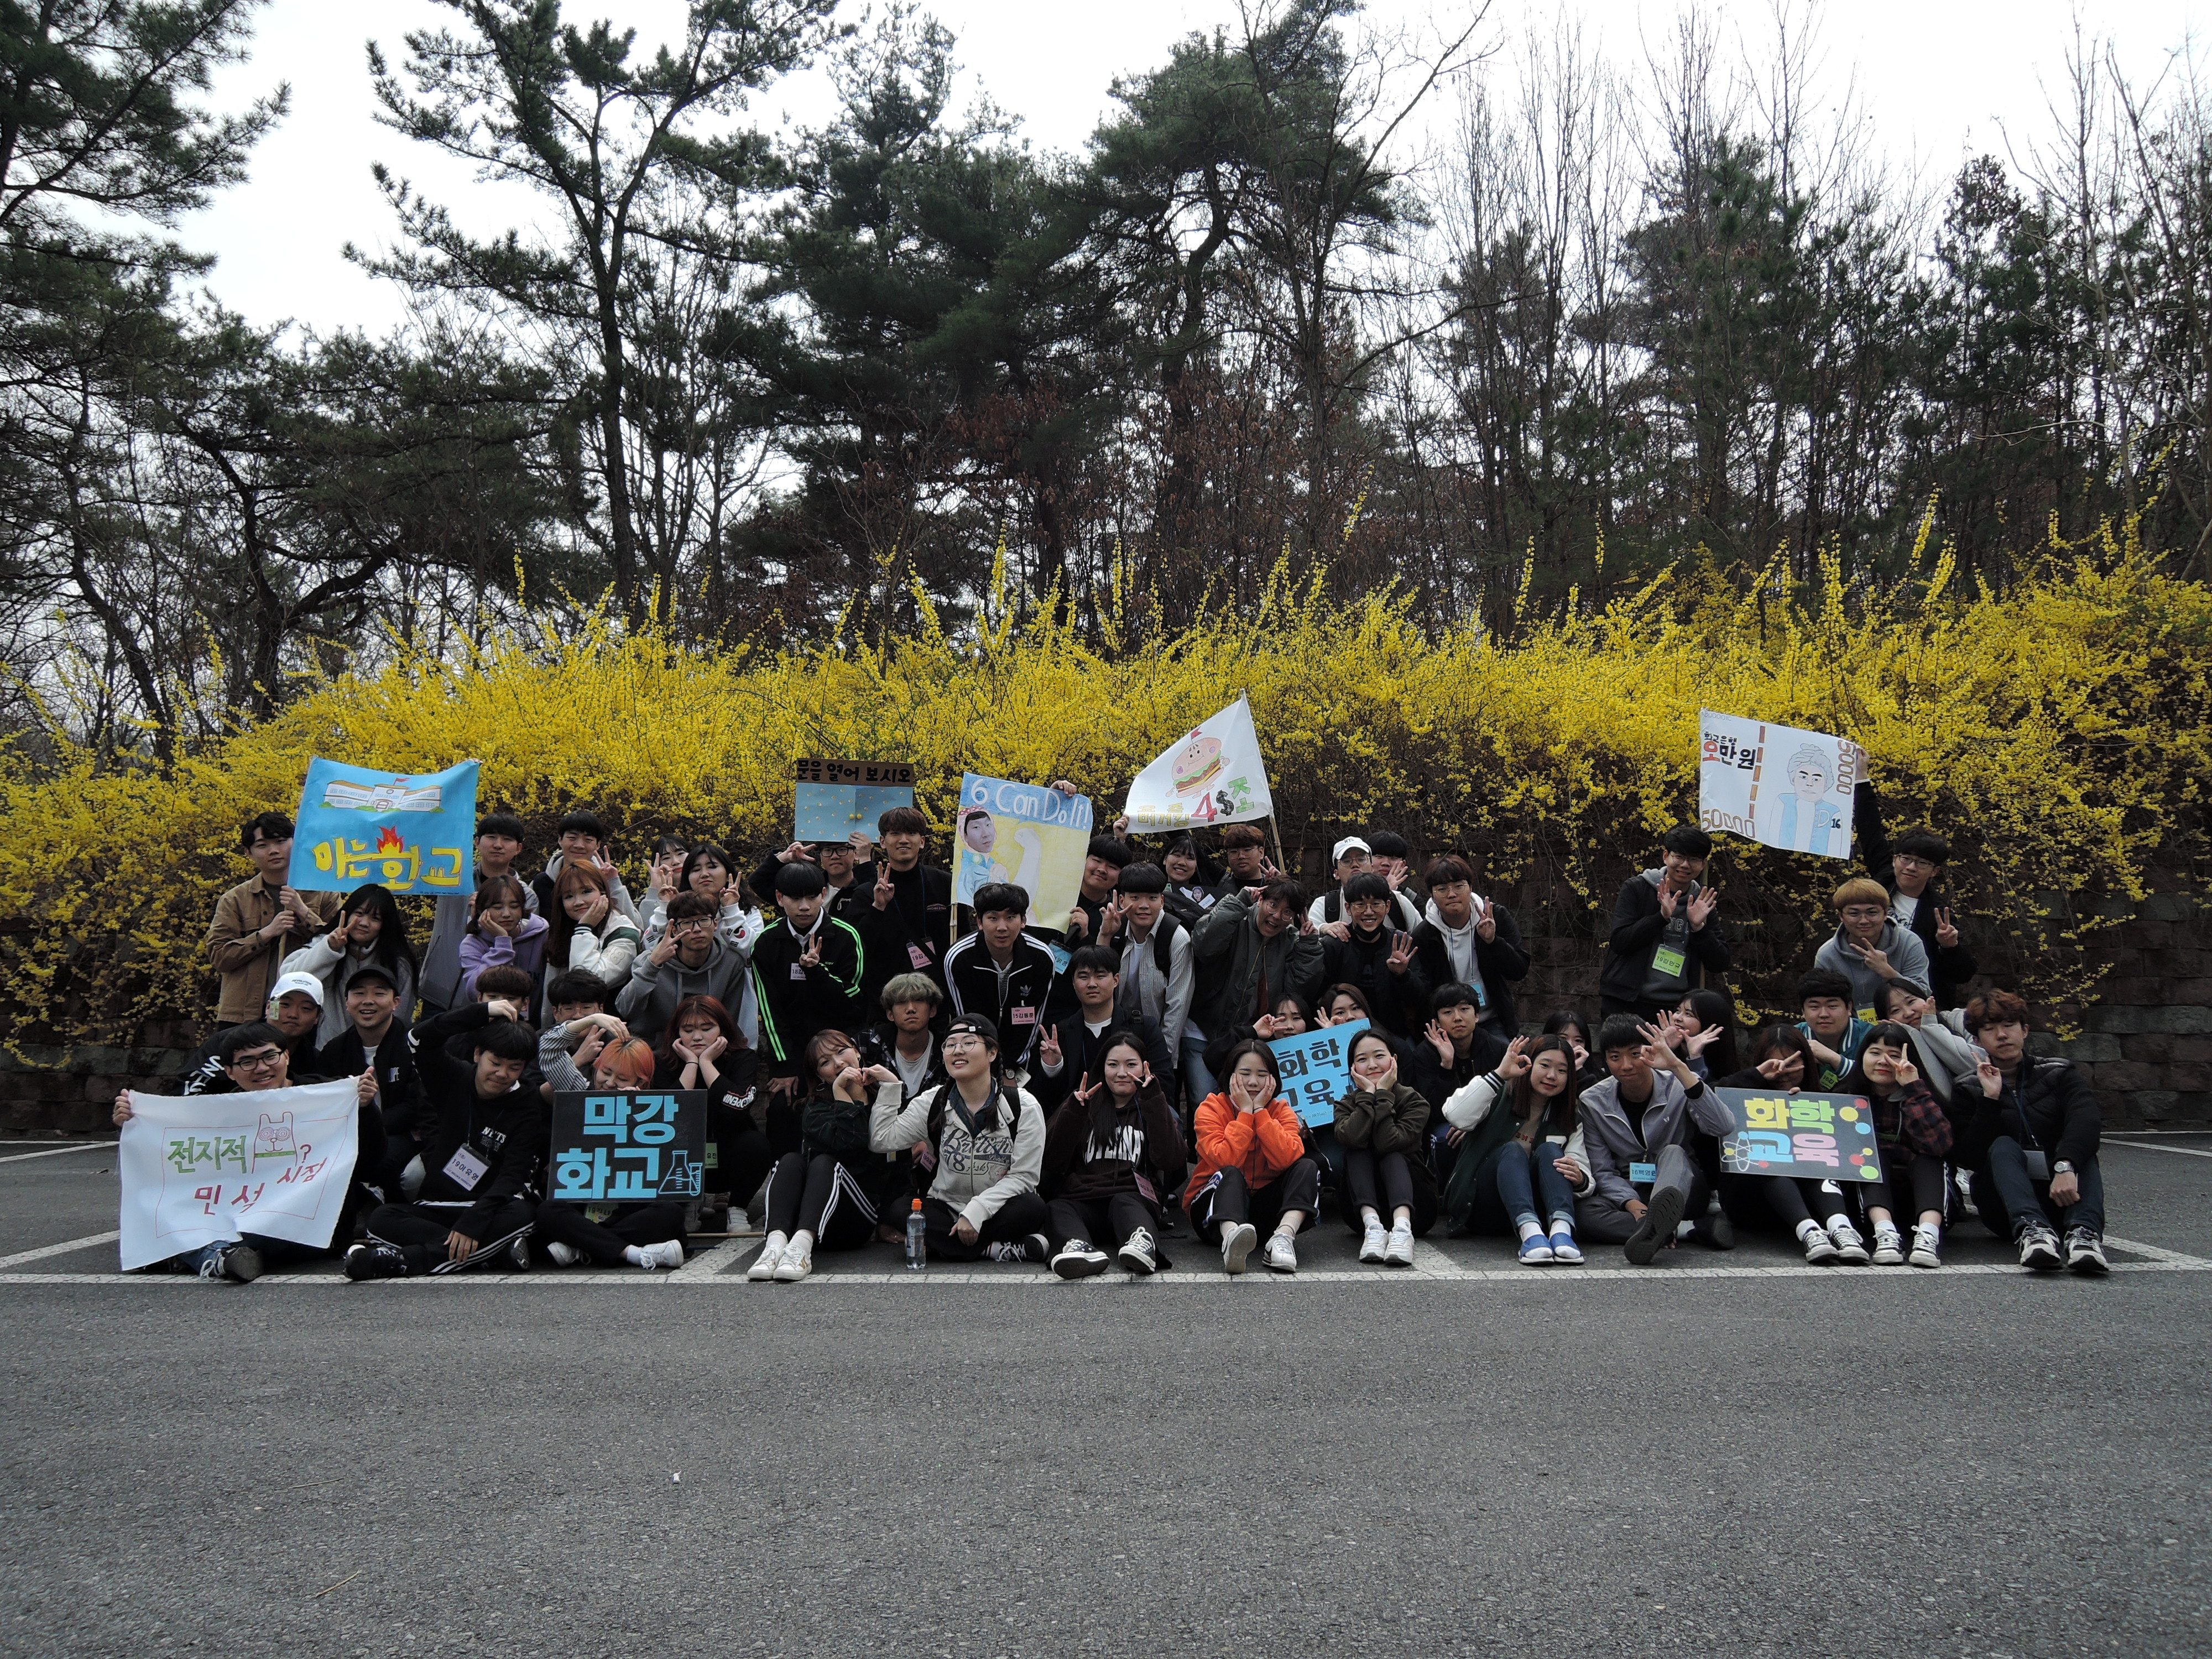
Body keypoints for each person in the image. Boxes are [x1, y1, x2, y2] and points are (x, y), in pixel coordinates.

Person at [112, 1023, 382, 1281]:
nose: (261, 1068)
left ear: (286, 1057)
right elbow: (169, 1164)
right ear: (229, 1072)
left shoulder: (325, 1095)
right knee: (172, 1214)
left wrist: (365, 1108)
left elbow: (372, 1164)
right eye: (247, 1062)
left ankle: (203, 1256)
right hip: (242, 1213)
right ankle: (218, 1257)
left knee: (220, 1232)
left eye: (270, 1056)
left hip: (310, 1222)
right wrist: (135, 1125)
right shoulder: (220, 1110)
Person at [347, 1000, 544, 1279]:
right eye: (495, 1063)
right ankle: (491, 1254)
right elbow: (419, 1039)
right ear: (478, 1054)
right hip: (439, 1203)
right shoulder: (452, 1075)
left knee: (524, 1214)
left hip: (493, 1207)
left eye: (514, 1068)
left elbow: (514, 1174)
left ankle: (404, 1261)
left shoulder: (528, 1101)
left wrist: (474, 1221)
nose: (502, 1074)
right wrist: (479, 1012)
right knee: (381, 1218)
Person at [868, 1014, 1052, 1262]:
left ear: (992, 1053)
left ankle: (944, 1246)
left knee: (1033, 1207)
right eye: (950, 1045)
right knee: (902, 1210)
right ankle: (993, 1249)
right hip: (946, 1206)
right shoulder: (932, 1101)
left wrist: (977, 1211)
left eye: (968, 1043)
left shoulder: (1024, 1105)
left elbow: (1024, 1177)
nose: (957, 1051)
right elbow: (881, 1140)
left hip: (998, 1208)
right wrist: (891, 1087)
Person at [1960, 991, 2107, 1274]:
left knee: (2080, 1150)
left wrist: (2066, 1166)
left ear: (2025, 1030)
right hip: (2004, 1208)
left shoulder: (2059, 1073)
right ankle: (2033, 1232)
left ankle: (2084, 1235)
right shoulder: (1968, 1087)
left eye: (2009, 1026)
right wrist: (1990, 1100)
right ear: (1977, 1041)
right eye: (1990, 1030)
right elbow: (1969, 1156)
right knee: (2002, 1145)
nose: (2002, 1035)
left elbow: (2086, 1121)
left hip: (2063, 1193)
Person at [1575, 1015, 1738, 1264]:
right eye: (1615, 1057)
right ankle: (1687, 1229)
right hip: (1632, 1192)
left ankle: (1659, 1226)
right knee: (1584, 1214)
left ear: (1651, 1051)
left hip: (1684, 1189)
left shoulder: (1678, 1084)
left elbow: (1723, 1126)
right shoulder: (1592, 1101)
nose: (1626, 1065)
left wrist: (1678, 1066)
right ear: (1605, 1060)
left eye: (1635, 1054)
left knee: (1673, 1151)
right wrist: (1636, 1207)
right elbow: (1603, 1169)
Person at [528, 1022, 688, 1271]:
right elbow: (549, 1051)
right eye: (606, 1073)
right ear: (596, 1066)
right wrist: (591, 1018)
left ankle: (580, 1247)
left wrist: (637, 1115)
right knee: (548, 1211)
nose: (610, 1083)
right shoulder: (578, 1091)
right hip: (580, 1201)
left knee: (671, 1213)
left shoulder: (654, 1109)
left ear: (641, 1082)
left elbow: (672, 1175)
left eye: (622, 1079)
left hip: (630, 1207)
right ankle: (632, 1253)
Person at [749, 1030, 900, 1282]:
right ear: (820, 1075)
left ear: (857, 1052)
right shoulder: (815, 1110)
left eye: (842, 1052)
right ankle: (775, 1245)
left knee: (826, 1163)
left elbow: (857, 1145)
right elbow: (846, 1141)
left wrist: (887, 1220)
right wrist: (839, 1092)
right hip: (810, 1218)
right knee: (791, 1160)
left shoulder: (882, 1098)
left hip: (853, 1222)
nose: (838, 1063)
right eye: (825, 1062)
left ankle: (801, 1249)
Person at [1710, 1025, 1869, 1265]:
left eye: (1792, 1063)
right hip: (1752, 1202)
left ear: (1808, 1062)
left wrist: (1805, 1104)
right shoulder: (1742, 1091)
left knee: (1818, 1159)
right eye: (1775, 1063)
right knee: (1772, 1160)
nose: (1783, 1071)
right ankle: (1809, 1234)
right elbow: (1707, 1096)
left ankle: (1842, 1229)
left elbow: (1868, 1085)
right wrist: (1757, 1077)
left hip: (1815, 1200)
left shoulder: (1824, 1098)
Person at [1042, 1029, 1187, 1277]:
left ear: (1144, 1068)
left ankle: (1141, 1244)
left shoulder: (1153, 1104)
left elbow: (1172, 1160)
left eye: (1131, 1065)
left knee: (1124, 1202)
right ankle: (1078, 1247)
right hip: (1084, 1200)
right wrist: (1074, 1113)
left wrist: (1153, 1098)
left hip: (1132, 1199)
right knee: (1058, 1207)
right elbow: (1052, 1161)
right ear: (1103, 1068)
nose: (1121, 1073)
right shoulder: (1083, 1103)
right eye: (1113, 1065)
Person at [1436, 1035, 1592, 1264]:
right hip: (1482, 1207)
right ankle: (1529, 1234)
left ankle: (1562, 1233)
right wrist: (1500, 1074)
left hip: (1540, 1212)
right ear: (1528, 1064)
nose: (1552, 1076)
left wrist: (1580, 1178)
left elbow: (1584, 1172)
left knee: (1551, 1150)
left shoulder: (1569, 1116)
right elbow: (1455, 1115)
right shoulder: (1500, 1092)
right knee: (1512, 1151)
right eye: (1545, 1065)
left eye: (1562, 1070)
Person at [1184, 1040, 1317, 1274]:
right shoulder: (1211, 1108)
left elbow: (1287, 1159)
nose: (1254, 1082)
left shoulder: (1281, 1109)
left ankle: (1283, 1237)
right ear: (1230, 1077)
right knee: (1231, 1172)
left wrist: (1261, 1114)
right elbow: (1225, 1160)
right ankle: (1231, 1240)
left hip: (1262, 1214)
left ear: (1273, 1079)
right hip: (1212, 1215)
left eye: (1262, 1075)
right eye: (1245, 1074)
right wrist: (1245, 1113)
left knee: (1306, 1166)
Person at [1188, 879, 1325, 1103]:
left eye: (1287, 913)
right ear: (1260, 900)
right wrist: (1238, 903)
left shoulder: (1292, 941)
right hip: (1204, 1027)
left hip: (1251, 1036)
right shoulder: (1236, 919)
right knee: (1203, 1097)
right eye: (1273, 905)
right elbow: (1204, 945)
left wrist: (1309, 945)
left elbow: (1297, 993)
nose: (1276, 916)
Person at [205, 811, 341, 1029]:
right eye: (262, 845)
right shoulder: (235, 900)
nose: (274, 851)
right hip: (244, 1015)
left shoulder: (324, 894)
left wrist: (303, 911)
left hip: (303, 1015)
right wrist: (265, 934)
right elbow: (220, 957)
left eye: (281, 841)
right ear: (248, 853)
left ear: (296, 843)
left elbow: (337, 945)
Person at [653, 993, 776, 1233]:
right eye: (688, 1030)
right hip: (682, 1157)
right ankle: (688, 1202)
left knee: (757, 1145)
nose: (697, 1037)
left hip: (729, 1153)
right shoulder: (663, 1061)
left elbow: (737, 1107)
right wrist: (691, 1064)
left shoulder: (743, 1058)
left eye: (707, 1028)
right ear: (677, 1032)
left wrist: (707, 1064)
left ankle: (737, 1207)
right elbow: (668, 1115)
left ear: (723, 1029)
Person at [1835, 1023, 1954, 1268]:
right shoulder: (1845, 1097)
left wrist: (1913, 1090)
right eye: (1875, 1053)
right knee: (1871, 1155)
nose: (1883, 1061)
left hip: (1922, 1201)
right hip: (1868, 1208)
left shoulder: (1923, 1096)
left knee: (1929, 1158)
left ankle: (1928, 1236)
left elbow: (1939, 1145)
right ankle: (1886, 1235)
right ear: (1862, 1056)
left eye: (1894, 1055)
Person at [1854, 781, 1980, 1007]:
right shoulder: (1882, 881)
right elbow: (1869, 827)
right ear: (1895, 860)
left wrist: (1949, 947)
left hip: (1913, 1002)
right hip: (1868, 993)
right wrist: (1861, 779)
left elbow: (1963, 974)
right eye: (1906, 859)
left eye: (1922, 863)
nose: (1911, 868)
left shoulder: (1938, 915)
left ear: (1934, 871)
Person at [748, 860, 869, 1081]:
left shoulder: (846, 936)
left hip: (842, 1045)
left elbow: (854, 1004)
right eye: (795, 899)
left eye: (812, 898)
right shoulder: (766, 943)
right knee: (783, 1100)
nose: (804, 907)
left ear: (823, 895)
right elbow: (770, 1011)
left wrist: (817, 972)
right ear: (779, 898)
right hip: (794, 1050)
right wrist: (784, 1066)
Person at [315, 964, 424, 1195]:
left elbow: (416, 1104)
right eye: (359, 993)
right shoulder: (335, 1050)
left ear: (396, 1003)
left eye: (379, 993)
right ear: (347, 1003)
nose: (368, 1001)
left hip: (404, 1132)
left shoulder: (415, 1044)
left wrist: (373, 1126)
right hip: (351, 1134)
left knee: (382, 1161)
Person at [1599, 825, 1726, 1021]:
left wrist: (1699, 929)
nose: (1685, 865)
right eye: (1679, 857)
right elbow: (1620, 942)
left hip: (1677, 1008)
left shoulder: (1702, 901)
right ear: (1666, 856)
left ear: (1703, 864)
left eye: (1694, 860)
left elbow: (1720, 962)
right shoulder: (1638, 888)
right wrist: (1660, 917)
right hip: (1628, 1001)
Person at [1333, 1029, 1436, 1265]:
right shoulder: (1345, 1104)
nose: (1372, 1065)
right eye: (1362, 1059)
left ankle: (1402, 1230)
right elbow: (1351, 1138)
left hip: (1416, 1208)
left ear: (1394, 1060)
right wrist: (1367, 1096)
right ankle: (1374, 1228)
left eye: (1379, 1056)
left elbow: (1388, 1142)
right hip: (1361, 1214)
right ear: (1353, 1069)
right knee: (1357, 1151)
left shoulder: (1414, 1101)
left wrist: (1382, 1095)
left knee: (1392, 1155)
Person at [1032, 946, 1176, 1113]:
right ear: (1073, 983)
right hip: (1078, 1120)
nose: (1092, 984)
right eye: (1083, 977)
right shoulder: (1061, 1034)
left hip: (1131, 1118)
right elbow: (1046, 1099)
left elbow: (1164, 1083)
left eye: (1100, 976)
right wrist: (1053, 1068)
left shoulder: (1143, 1028)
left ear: (1116, 980)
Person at [418, 812, 531, 1018]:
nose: (498, 845)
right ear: (477, 842)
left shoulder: (526, 895)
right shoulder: (453, 879)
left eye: (507, 840)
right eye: (491, 837)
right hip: (439, 990)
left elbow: (524, 939)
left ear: (519, 848)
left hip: (493, 998)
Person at [941, 883, 1058, 1078]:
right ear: (979, 922)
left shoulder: (1041, 957)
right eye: (993, 918)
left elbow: (1032, 1024)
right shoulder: (959, 958)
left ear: (1023, 921)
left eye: (1010, 917)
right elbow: (969, 1021)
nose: (1002, 927)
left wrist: (1010, 1071)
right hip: (976, 1056)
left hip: (1022, 1060)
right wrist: (990, 1069)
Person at [278, 883, 418, 1046]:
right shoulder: (325, 943)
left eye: (375, 918)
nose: (364, 923)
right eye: (359, 913)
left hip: (380, 1049)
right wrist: (330, 949)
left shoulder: (397, 962)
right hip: (328, 1046)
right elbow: (289, 977)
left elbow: (402, 1013)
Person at [1410, 855, 1529, 1041]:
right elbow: (1422, 992)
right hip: (1447, 1027)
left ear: (1471, 888)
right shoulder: (1424, 935)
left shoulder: (1495, 917)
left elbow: (1518, 970)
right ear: (1432, 895)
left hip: (1492, 1019)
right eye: (1442, 889)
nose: (1452, 894)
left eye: (1459, 886)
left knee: (1504, 1057)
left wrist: (1493, 941)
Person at [619, 891, 753, 1046]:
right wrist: (652, 966)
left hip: (710, 1047)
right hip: (655, 1049)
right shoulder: (649, 960)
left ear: (715, 924)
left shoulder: (731, 963)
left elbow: (728, 1020)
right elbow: (625, 1009)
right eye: (687, 923)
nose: (697, 929)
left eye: (704, 920)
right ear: (674, 929)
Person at [1106, 862, 1193, 1091]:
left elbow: (1177, 1006)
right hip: (1116, 1037)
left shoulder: (1176, 938)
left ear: (1162, 901)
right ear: (1122, 900)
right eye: (1135, 898)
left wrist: (1161, 1059)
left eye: (1152, 898)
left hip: (1158, 1042)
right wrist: (1105, 935)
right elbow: (1099, 980)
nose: (1144, 906)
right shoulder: (1115, 929)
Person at [1315, 872, 1428, 1035]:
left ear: (1387, 906)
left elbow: (1422, 998)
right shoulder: (1334, 945)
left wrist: (1403, 975)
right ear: (1348, 908)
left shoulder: (1401, 943)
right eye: (1360, 905)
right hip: (1344, 1031)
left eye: (1376, 904)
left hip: (1395, 1035)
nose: (1369, 912)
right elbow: (1318, 997)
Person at [180, 971, 326, 1095]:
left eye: (306, 1008)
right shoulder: (230, 1041)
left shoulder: (314, 1060)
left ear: (318, 1017)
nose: (293, 1014)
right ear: (269, 1007)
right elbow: (189, 1088)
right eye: (285, 1005)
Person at [1813, 878, 1934, 1022]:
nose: (1864, 921)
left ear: (1885, 913)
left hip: (1905, 1023)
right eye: (1854, 914)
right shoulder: (1827, 955)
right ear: (1841, 916)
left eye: (1872, 913)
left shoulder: (1909, 942)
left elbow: (1923, 993)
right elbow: (1825, 1004)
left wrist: (1889, 973)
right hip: (1852, 1025)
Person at [864, 805, 954, 986]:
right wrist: (878, 908)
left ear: (922, 841)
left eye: (911, 833)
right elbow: (859, 947)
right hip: (886, 992)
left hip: (938, 989)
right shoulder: (867, 892)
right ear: (883, 841)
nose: (904, 840)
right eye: (895, 833)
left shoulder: (945, 884)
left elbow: (961, 936)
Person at [544, 860, 643, 1004]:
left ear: (603, 893)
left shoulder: (623, 933)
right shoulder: (562, 931)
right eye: (569, 896)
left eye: (586, 892)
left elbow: (585, 984)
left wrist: (584, 929)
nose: (578, 902)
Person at [529, 810, 641, 926]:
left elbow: (636, 926)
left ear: (598, 845)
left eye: (588, 840)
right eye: (572, 838)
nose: (579, 845)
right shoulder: (541, 884)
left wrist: (613, 884)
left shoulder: (605, 880)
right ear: (560, 840)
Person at [1411, 983, 1510, 1112]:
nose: (1457, 1018)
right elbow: (1432, 1109)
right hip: (1445, 1120)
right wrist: (1447, 1066)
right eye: (1448, 1012)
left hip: (1488, 1118)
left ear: (1477, 1015)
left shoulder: (1497, 1049)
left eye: (1464, 1009)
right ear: (1437, 1022)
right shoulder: (1425, 1054)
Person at [457, 875, 549, 1004]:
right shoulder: (473, 943)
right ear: (481, 910)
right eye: (497, 907)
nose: (506, 914)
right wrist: (502, 942)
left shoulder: (541, 935)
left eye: (514, 906)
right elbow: (474, 992)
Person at [1795, 968, 1873, 1091]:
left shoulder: (1872, 1037)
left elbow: (1879, 1083)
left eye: (1832, 1006)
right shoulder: (1791, 1038)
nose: (1824, 1014)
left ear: (1849, 1008)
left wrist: (1835, 1060)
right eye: (1814, 1007)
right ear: (1803, 1011)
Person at [1665, 988, 1740, 1082]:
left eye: (1688, 1014)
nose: (1677, 1018)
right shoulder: (1668, 1046)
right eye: (1678, 1011)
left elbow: (1705, 1090)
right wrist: (1666, 1049)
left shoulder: (1722, 1065)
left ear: (1708, 1023)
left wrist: (1695, 1058)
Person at [1158, 836, 1223, 930]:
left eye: (1190, 858)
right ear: (1165, 859)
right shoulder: (1150, 892)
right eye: (1177, 855)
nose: (1182, 863)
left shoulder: (1210, 899)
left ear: (1197, 867)